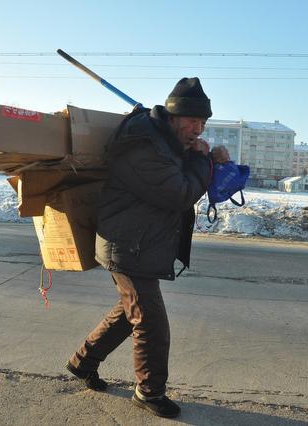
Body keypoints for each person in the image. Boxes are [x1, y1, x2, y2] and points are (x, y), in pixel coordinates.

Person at [66, 77, 228, 419]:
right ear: (172, 117)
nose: (198, 129)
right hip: (127, 246)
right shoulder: (145, 147)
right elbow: (179, 193)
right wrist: (203, 162)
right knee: (151, 322)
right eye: (192, 121)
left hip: (136, 242)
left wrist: (207, 159)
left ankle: (83, 363)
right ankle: (149, 391)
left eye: (202, 123)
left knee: (130, 313)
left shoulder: (164, 142)